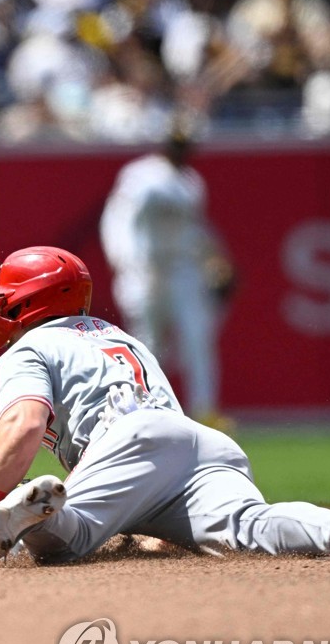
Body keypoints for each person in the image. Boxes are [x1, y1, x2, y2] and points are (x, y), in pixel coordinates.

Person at [0, 246, 330, 566]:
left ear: (27, 303)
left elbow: (24, 422)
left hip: (128, 442)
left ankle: (30, 511)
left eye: (5, 298)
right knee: (252, 525)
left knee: (64, 544)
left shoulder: (29, 348)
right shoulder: (117, 334)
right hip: (197, 442)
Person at [98, 123, 234, 426]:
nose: (181, 153)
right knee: (147, 344)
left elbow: (193, 228)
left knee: (198, 337)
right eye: (176, 146)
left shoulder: (191, 182)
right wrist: (125, 260)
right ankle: (141, 410)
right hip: (146, 267)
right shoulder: (142, 176)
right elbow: (119, 218)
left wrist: (212, 256)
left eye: (185, 147)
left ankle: (205, 410)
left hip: (183, 269)